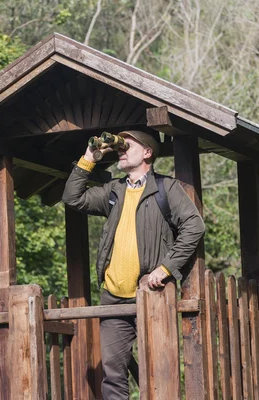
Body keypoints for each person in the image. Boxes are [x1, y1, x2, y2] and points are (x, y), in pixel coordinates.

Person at [62, 130, 205, 399]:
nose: (121, 150)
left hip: (153, 295)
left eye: (128, 146)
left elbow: (194, 226)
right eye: (120, 147)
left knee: (159, 369)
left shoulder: (166, 188)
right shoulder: (114, 190)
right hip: (113, 297)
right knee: (113, 374)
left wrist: (165, 268)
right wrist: (88, 158)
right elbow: (73, 199)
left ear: (148, 152)